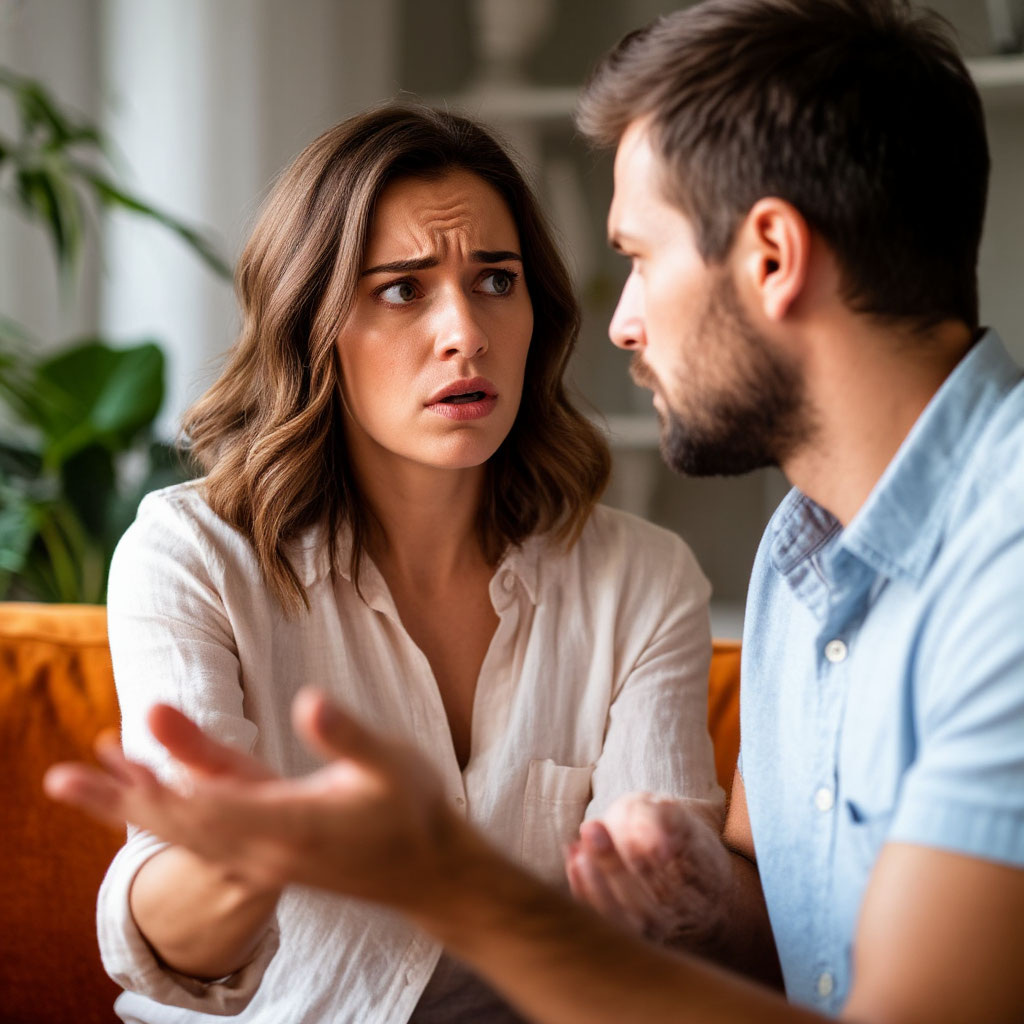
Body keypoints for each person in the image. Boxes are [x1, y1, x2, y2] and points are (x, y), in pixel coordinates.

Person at [46, 1, 1024, 1022]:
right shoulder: (800, 559)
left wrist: (450, 878)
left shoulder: (986, 560)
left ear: (772, 256)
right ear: (315, 322)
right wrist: (692, 898)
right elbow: (776, 939)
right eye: (401, 290)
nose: (621, 323)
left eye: (637, 257)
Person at [58, 105, 721, 1023]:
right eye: (403, 290)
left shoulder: (643, 579)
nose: (467, 332)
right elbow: (173, 954)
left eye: (497, 280)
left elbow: (664, 925)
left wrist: (670, 879)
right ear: (311, 323)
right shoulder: (190, 555)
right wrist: (253, 859)